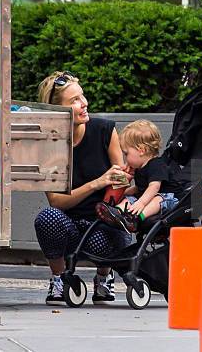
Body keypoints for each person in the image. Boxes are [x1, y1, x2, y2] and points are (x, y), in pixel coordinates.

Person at [33, 71, 132, 304]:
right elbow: (56, 201)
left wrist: (120, 180)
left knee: (110, 230)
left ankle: (103, 279)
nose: (84, 103)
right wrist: (97, 182)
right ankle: (59, 279)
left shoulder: (104, 130)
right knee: (47, 217)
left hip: (101, 220)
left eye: (82, 96)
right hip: (68, 224)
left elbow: (123, 181)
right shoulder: (48, 144)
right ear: (58, 110)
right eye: (74, 100)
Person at [95, 120, 188, 233]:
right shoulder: (139, 168)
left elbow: (154, 187)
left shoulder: (156, 164)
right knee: (129, 199)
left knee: (157, 199)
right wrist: (123, 192)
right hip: (149, 197)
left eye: (126, 154)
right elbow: (139, 188)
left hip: (170, 199)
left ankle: (136, 219)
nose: (125, 158)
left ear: (141, 150)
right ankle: (117, 213)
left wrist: (141, 203)